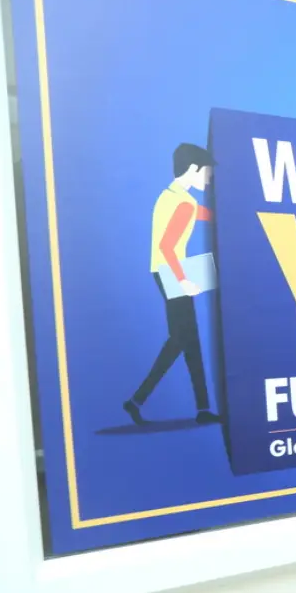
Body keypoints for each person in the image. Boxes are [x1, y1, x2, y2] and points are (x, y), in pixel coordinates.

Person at [123, 143, 220, 426]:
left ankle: (200, 409)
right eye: (207, 173)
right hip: (173, 273)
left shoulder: (173, 196)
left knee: (186, 341)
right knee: (182, 340)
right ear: (193, 169)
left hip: (165, 271)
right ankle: (138, 400)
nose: (209, 179)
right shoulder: (183, 203)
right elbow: (167, 246)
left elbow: (204, 215)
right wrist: (183, 280)